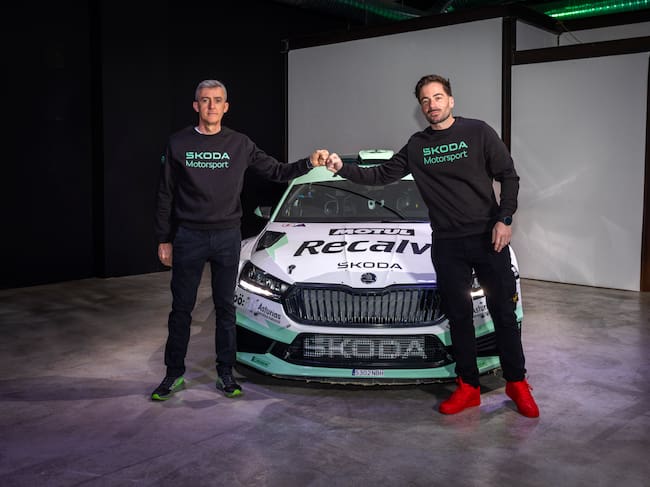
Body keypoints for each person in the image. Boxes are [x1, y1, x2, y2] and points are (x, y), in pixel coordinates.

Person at [325, 74, 539, 418]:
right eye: (425, 100)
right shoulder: (417, 145)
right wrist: (341, 168)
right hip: (447, 243)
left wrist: (505, 218)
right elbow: (380, 175)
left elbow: (508, 176)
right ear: (421, 107)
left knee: (503, 314)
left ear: (450, 100)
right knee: (459, 317)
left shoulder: (477, 132)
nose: (432, 105)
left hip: (488, 238)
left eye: (437, 97)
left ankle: (517, 383)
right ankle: (468, 387)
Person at [152, 79, 328, 400]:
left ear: (226, 107)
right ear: (196, 106)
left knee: (225, 309)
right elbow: (165, 193)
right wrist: (164, 238)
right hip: (188, 236)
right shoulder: (178, 143)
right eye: (205, 100)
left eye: (217, 100)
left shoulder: (239, 144)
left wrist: (308, 163)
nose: (211, 106)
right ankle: (173, 374)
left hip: (226, 236)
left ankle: (225, 373)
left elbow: (277, 171)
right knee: (181, 309)